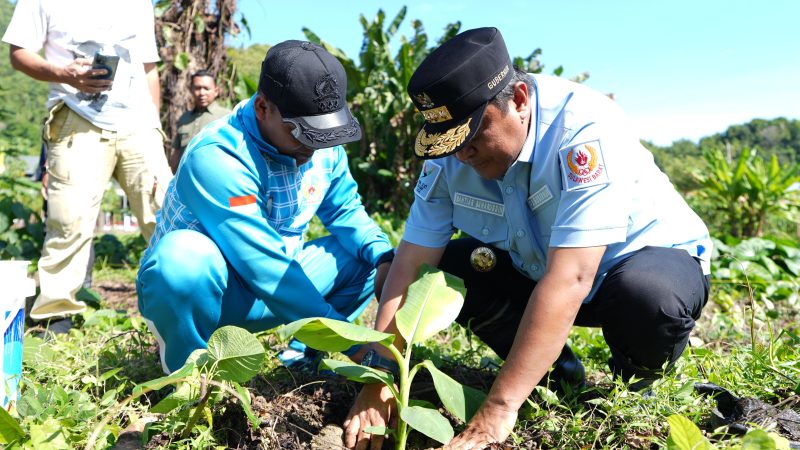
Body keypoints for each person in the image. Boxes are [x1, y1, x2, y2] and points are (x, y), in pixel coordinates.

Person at [344, 27, 712, 450]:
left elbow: (571, 278)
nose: (461, 154)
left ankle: (635, 382)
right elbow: (412, 262)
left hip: (634, 265)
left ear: (519, 100)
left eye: (472, 135)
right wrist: (379, 378)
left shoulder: (584, 129)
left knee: (647, 296)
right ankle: (556, 375)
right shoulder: (451, 155)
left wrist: (499, 408)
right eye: (450, 143)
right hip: (536, 268)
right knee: (416, 275)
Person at [136, 40, 395, 374]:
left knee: (367, 255)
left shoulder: (320, 146)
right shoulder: (218, 156)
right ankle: (189, 372)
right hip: (215, 294)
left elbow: (345, 210)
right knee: (182, 260)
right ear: (262, 107)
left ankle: (301, 355)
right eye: (302, 133)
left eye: (322, 134)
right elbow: (262, 266)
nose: (313, 148)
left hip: (277, 286)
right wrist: (354, 345)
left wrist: (383, 257)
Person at [3, 0, 173, 322]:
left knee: (165, 212)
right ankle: (56, 315)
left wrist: (154, 125)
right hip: (76, 118)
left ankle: (184, 301)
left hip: (139, 123)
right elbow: (19, 53)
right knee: (68, 221)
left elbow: (148, 68)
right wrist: (64, 74)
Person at [170, 69, 231, 172]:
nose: (202, 93)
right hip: (185, 177)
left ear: (216, 91)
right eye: (197, 88)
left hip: (214, 176)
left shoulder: (227, 117)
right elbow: (177, 152)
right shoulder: (184, 118)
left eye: (206, 88)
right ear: (191, 90)